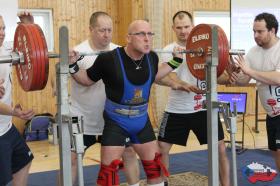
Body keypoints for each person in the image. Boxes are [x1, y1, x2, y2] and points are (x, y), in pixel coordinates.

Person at [69, 19, 191, 186]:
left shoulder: (152, 58)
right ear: (128, 38)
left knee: (155, 171)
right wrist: (71, 64)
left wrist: (176, 61)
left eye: (149, 33)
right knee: (108, 177)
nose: (147, 38)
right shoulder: (108, 59)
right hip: (116, 122)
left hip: (141, 121)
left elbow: (153, 76)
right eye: (141, 34)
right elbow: (86, 80)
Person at [157, 11, 233, 186]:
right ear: (173, 28)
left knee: (220, 148)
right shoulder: (170, 49)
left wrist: (229, 77)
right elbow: (170, 77)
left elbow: (216, 76)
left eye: (186, 27)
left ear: (193, 26)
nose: (183, 31)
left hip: (203, 108)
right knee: (161, 149)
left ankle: (225, 185)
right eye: (179, 27)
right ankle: (162, 183)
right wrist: (182, 84)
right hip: (177, 109)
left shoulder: (207, 48)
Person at [68, 11, 140, 185]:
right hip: (82, 118)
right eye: (102, 30)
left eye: (109, 30)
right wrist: (66, 65)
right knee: (71, 160)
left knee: (129, 153)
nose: (107, 35)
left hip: (113, 119)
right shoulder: (78, 52)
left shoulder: (119, 52)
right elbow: (61, 76)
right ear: (91, 29)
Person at [234, 12, 280, 171]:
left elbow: (278, 78)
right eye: (254, 31)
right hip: (272, 114)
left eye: (260, 31)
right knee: (275, 153)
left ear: (272, 31)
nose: (255, 35)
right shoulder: (253, 52)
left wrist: (250, 72)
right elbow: (243, 81)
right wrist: (234, 73)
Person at [0, 12, 35, 186]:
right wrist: (14, 112)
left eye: (3, 28)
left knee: (24, 160)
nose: (2, 33)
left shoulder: (5, 49)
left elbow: (32, 51)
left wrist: (29, 26)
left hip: (6, 126)